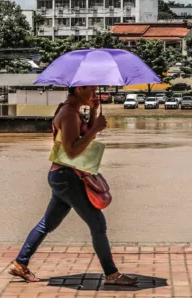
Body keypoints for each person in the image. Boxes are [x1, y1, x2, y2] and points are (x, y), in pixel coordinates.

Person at [9, 86, 138, 286]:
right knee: (97, 224)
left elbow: (85, 140)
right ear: (79, 89)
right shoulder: (68, 113)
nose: (95, 94)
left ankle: (20, 263)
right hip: (68, 175)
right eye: (92, 90)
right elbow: (71, 150)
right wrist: (95, 128)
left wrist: (94, 112)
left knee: (47, 224)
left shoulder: (72, 110)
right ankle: (112, 274)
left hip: (63, 175)